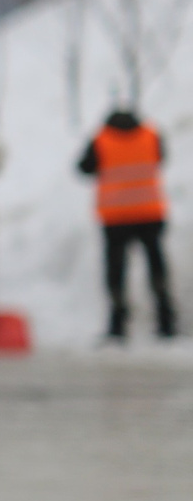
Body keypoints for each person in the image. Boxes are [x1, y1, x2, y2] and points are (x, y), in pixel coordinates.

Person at [76, 108, 177, 342]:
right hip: (149, 213)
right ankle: (166, 322)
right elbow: (162, 158)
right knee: (157, 268)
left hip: (116, 217)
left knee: (116, 272)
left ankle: (118, 325)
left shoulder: (101, 139)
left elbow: (84, 168)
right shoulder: (151, 135)